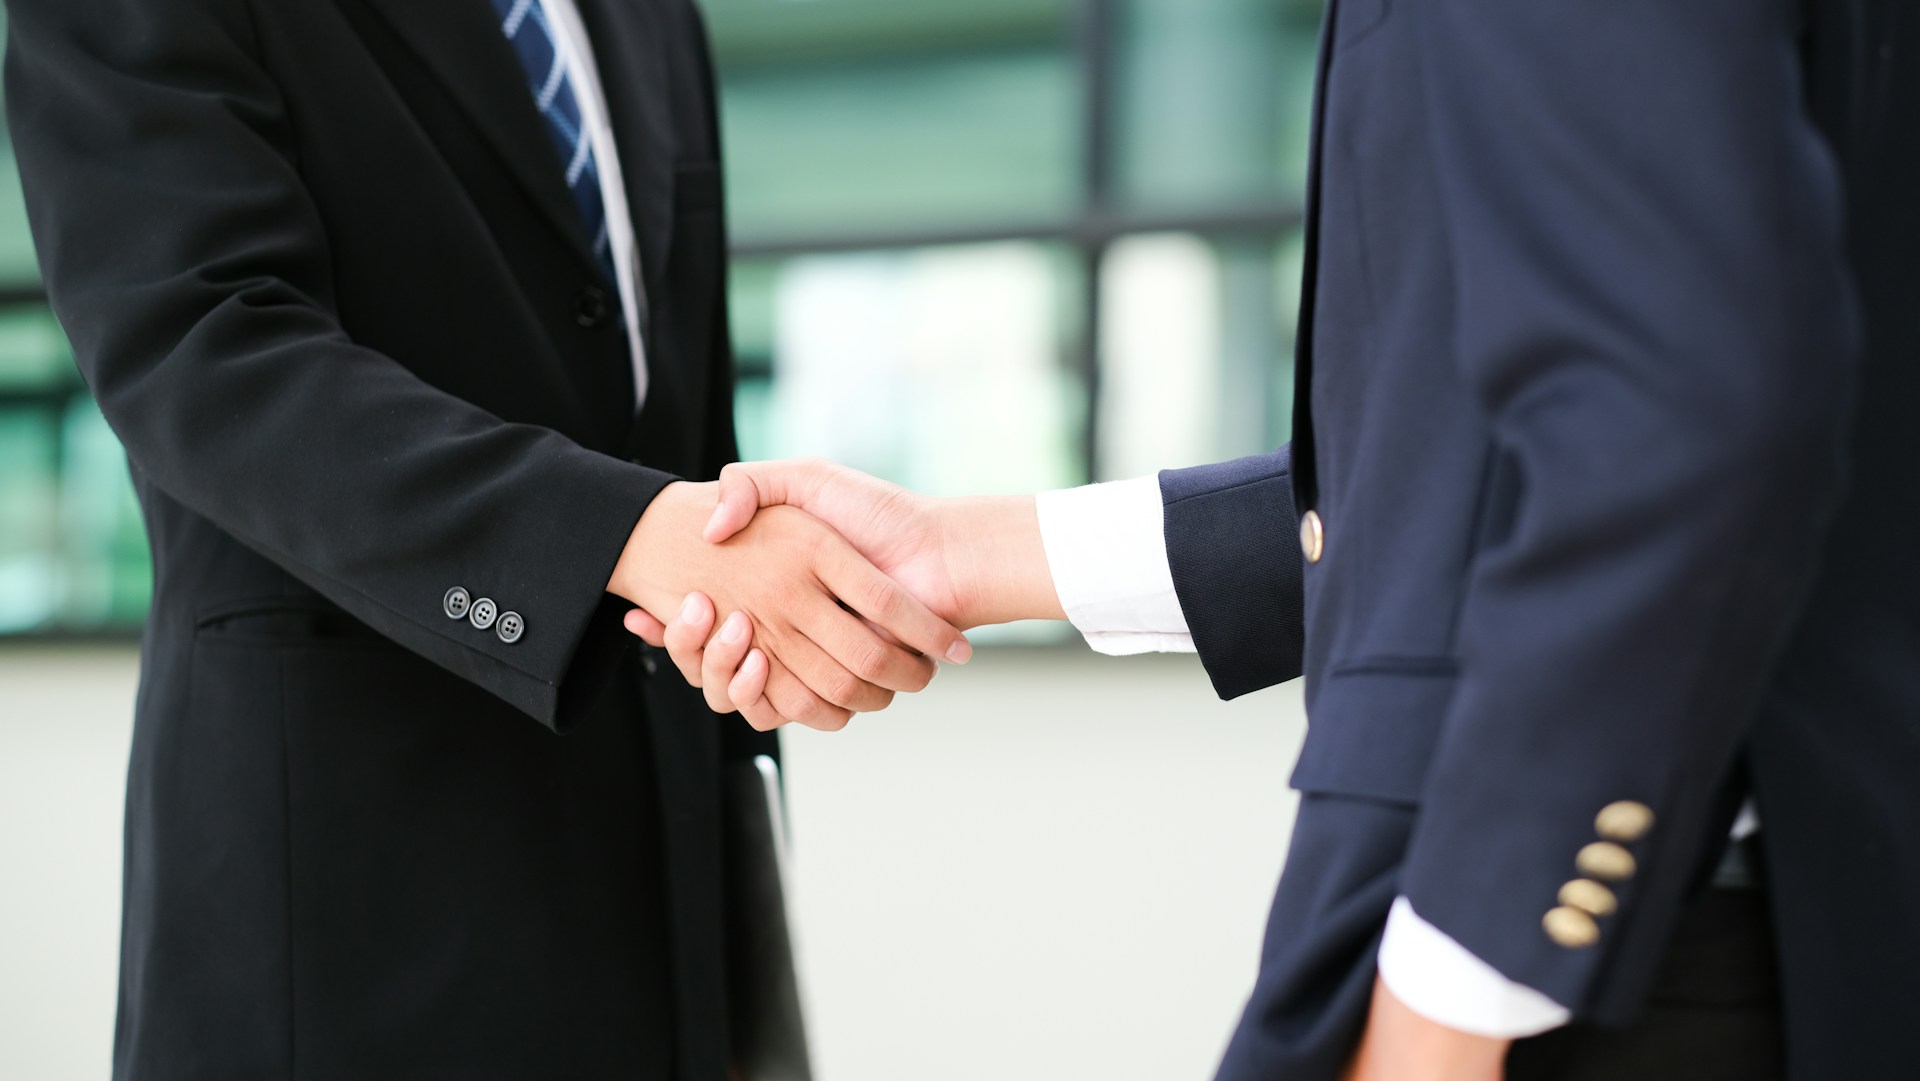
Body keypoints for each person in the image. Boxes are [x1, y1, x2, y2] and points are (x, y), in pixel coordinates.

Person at [636, 1, 1920, 1078]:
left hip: (1610, 972)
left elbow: (1678, 417)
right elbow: (1475, 470)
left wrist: (1450, 1003)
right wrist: (967, 557)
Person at [5, 0, 970, 1076]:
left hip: (663, 904)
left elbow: (674, 414)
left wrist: (765, 631)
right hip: (351, 907)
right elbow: (207, 345)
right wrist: (622, 536)